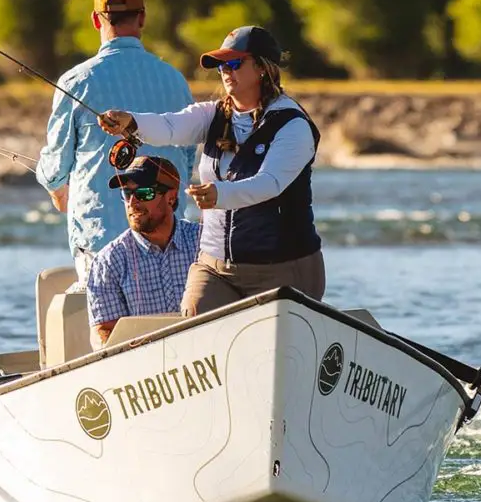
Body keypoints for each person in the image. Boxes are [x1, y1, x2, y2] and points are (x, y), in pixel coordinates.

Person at [97, 23, 323, 316]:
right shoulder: (213, 114)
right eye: (220, 66)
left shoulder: (293, 125)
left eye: (234, 63)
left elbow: (270, 183)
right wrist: (132, 122)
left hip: (284, 268)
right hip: (216, 266)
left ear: (262, 68)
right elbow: (170, 125)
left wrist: (220, 194)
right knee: (194, 321)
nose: (225, 71)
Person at [34, 0, 193, 276]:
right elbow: (185, 160)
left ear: (96, 20)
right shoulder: (175, 80)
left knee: (107, 323)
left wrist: (56, 190)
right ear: (142, 18)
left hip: (100, 242)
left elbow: (56, 165)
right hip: (167, 237)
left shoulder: (76, 82)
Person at [84, 156, 201, 347]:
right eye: (126, 193)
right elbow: (105, 337)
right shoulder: (107, 262)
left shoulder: (205, 242)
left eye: (145, 193)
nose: (132, 202)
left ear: (171, 197)